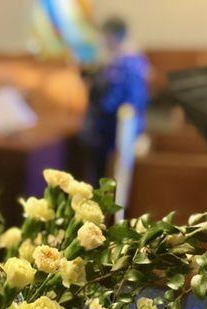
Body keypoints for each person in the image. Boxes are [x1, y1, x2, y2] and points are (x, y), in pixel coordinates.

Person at [80, 16, 149, 186]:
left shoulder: (123, 63)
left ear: (112, 36)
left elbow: (110, 102)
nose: (101, 41)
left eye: (104, 36)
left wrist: (94, 85)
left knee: (104, 180)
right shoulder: (134, 60)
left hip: (109, 132)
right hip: (120, 129)